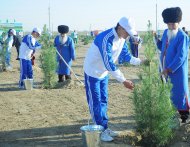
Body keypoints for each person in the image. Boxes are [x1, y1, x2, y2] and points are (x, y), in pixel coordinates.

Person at [83, 17, 141, 142]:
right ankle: (99, 130)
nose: (127, 36)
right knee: (96, 102)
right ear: (120, 28)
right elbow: (108, 63)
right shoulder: (105, 39)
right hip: (93, 72)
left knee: (103, 99)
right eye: (127, 33)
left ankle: (105, 127)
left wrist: (141, 62)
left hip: (103, 73)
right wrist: (123, 80)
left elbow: (126, 55)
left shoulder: (121, 39)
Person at [155, 7, 190, 123]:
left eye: (172, 24)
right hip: (164, 69)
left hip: (177, 72)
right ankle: (168, 116)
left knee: (180, 93)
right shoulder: (166, 33)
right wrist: (156, 40)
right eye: (168, 24)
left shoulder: (183, 37)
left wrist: (169, 69)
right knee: (166, 93)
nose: (170, 27)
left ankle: (184, 117)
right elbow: (162, 48)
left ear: (178, 22)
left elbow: (181, 57)